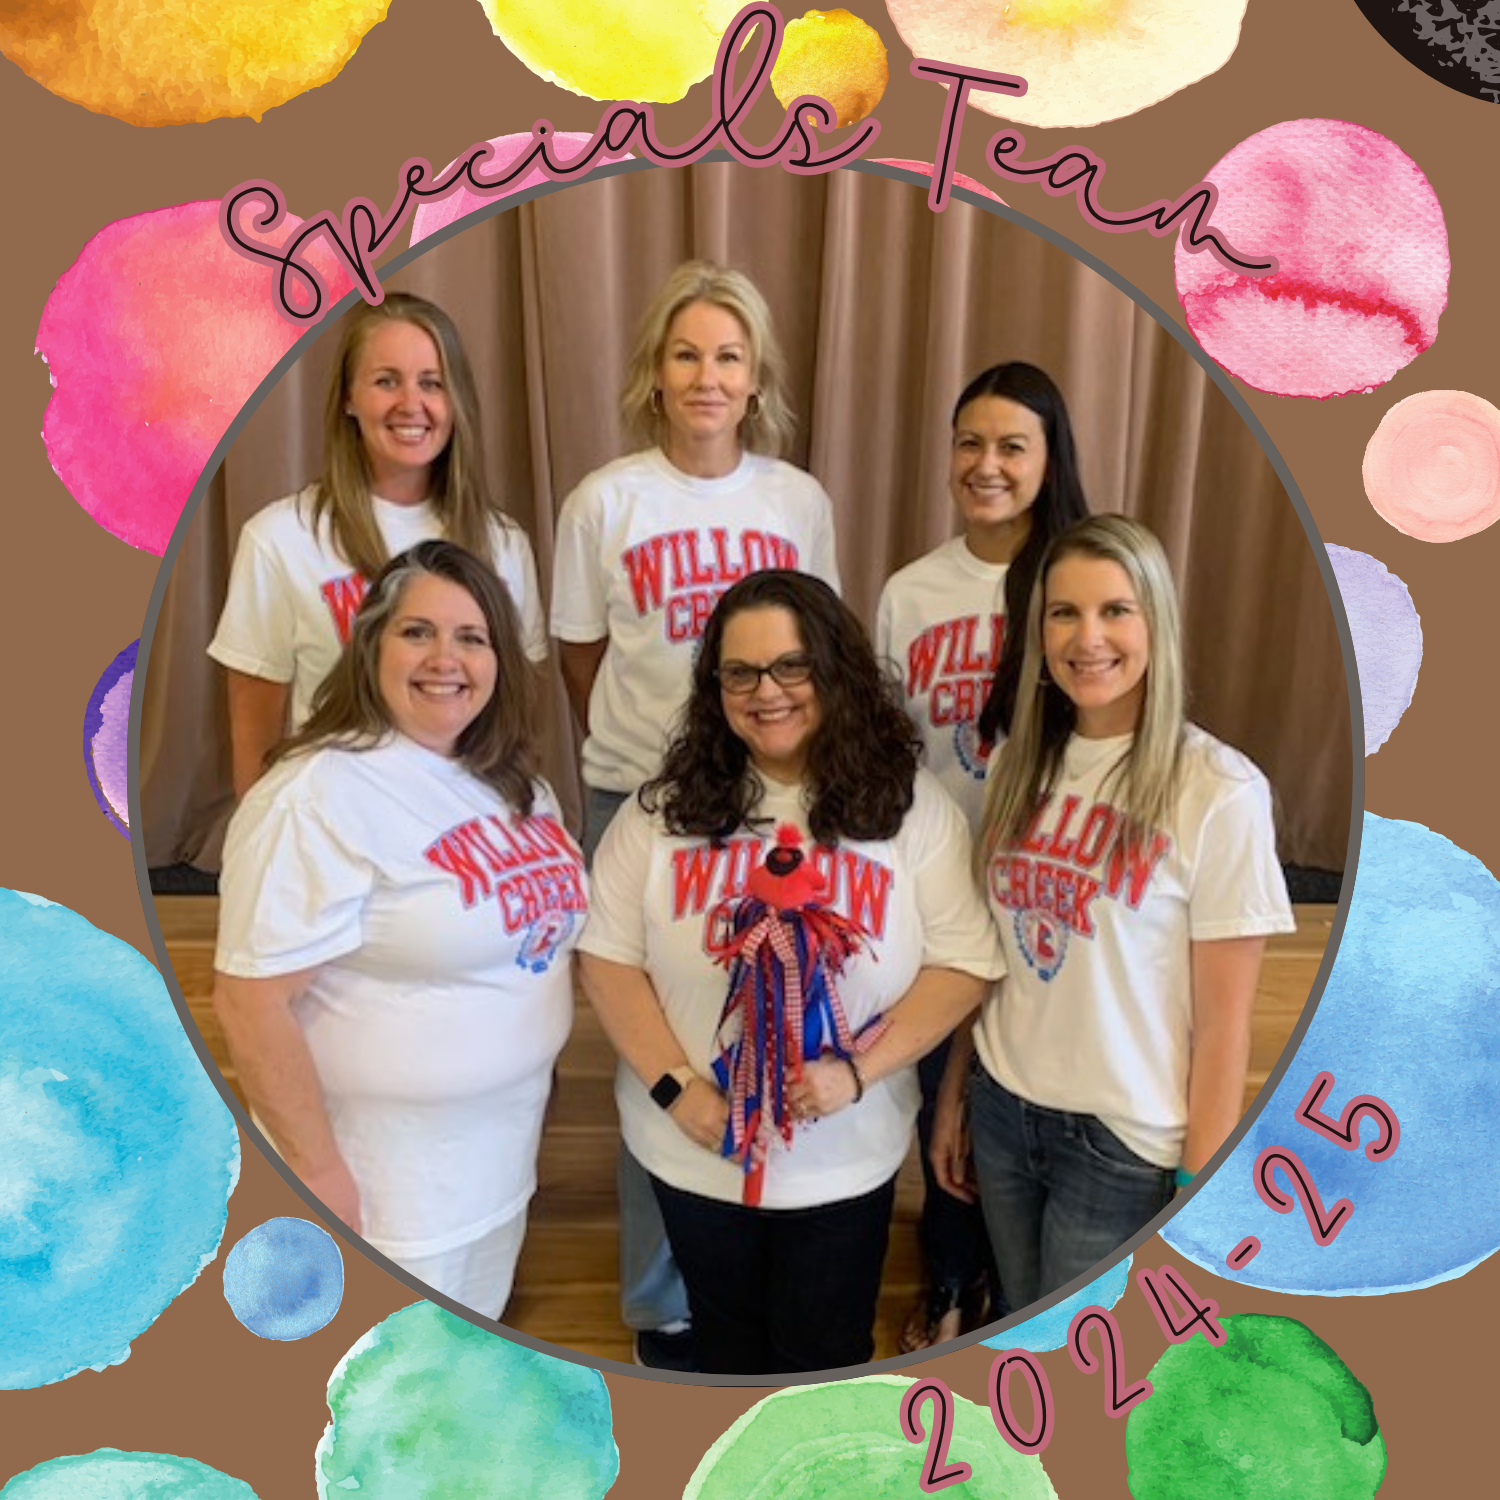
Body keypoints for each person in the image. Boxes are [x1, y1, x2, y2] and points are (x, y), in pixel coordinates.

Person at [578, 570, 1004, 1375]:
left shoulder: (909, 809)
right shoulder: (660, 812)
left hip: (843, 1159)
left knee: (825, 1355)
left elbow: (964, 964)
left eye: (791, 666)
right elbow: (606, 958)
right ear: (715, 687)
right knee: (724, 1341)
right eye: (739, 672)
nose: (765, 691)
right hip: (692, 1148)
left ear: (834, 669)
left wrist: (856, 1071)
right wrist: (677, 1088)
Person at [550, 260, 840, 1368]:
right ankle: (661, 1297)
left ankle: (769, 1236)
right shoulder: (604, 500)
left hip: (774, 799)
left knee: (771, 1023)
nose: (706, 375)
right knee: (655, 1046)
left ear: (754, 374)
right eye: (686, 354)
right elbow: (581, 654)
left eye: (727, 354)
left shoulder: (796, 501)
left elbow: (816, 651)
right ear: (655, 375)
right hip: (642, 798)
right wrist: (656, 761)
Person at [212, 541, 586, 1321]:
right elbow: (251, 1005)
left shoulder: (518, 785)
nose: (445, 658)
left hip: (493, 1176)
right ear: (370, 645)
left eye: (472, 637)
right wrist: (317, 1177)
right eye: (418, 632)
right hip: (378, 1198)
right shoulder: (315, 795)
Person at [932, 515, 1294, 1310]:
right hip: (1003, 1107)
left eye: (1114, 610)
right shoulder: (1020, 769)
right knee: (1023, 1328)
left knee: (1076, 1354)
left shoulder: (1219, 791)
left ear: (1155, 622)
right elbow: (994, 956)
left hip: (1120, 1142)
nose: (1087, 637)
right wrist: (955, 1092)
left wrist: (1201, 1185)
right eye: (1064, 612)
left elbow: (1225, 1027)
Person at [876, 361, 1090, 1350]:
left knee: (1016, 1091)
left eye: (1013, 445)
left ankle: (1015, 1277)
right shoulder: (911, 590)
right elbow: (889, 748)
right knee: (941, 1101)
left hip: (1049, 883)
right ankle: (952, 1270)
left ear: (1050, 460)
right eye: (971, 442)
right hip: (942, 887)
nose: (987, 464)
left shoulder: (1076, 582)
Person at [210, 293, 547, 797]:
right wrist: (254, 851)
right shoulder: (279, 539)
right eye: (386, 381)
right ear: (349, 398)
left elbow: (514, 723)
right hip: (334, 829)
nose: (411, 404)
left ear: (456, 402)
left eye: (432, 383)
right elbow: (255, 736)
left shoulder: (503, 544)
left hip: (462, 832)